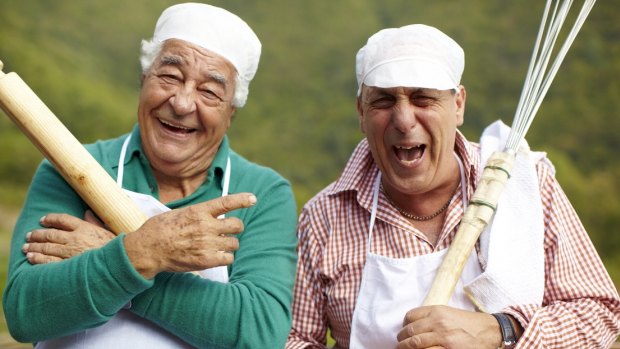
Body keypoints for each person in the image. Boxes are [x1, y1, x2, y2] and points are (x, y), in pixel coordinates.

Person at [286, 24, 620, 348]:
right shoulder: (324, 217)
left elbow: (601, 315)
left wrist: (499, 330)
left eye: (423, 99)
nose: (403, 120)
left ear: (457, 104)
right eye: (384, 101)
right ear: (361, 112)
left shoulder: (523, 184)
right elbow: (295, 339)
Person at [3, 3, 298, 348]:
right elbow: (27, 311)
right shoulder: (70, 166)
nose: (183, 103)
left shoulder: (262, 192)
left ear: (230, 112)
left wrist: (124, 256)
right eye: (170, 77)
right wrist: (144, 253)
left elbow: (258, 333)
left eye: (209, 92)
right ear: (144, 79)